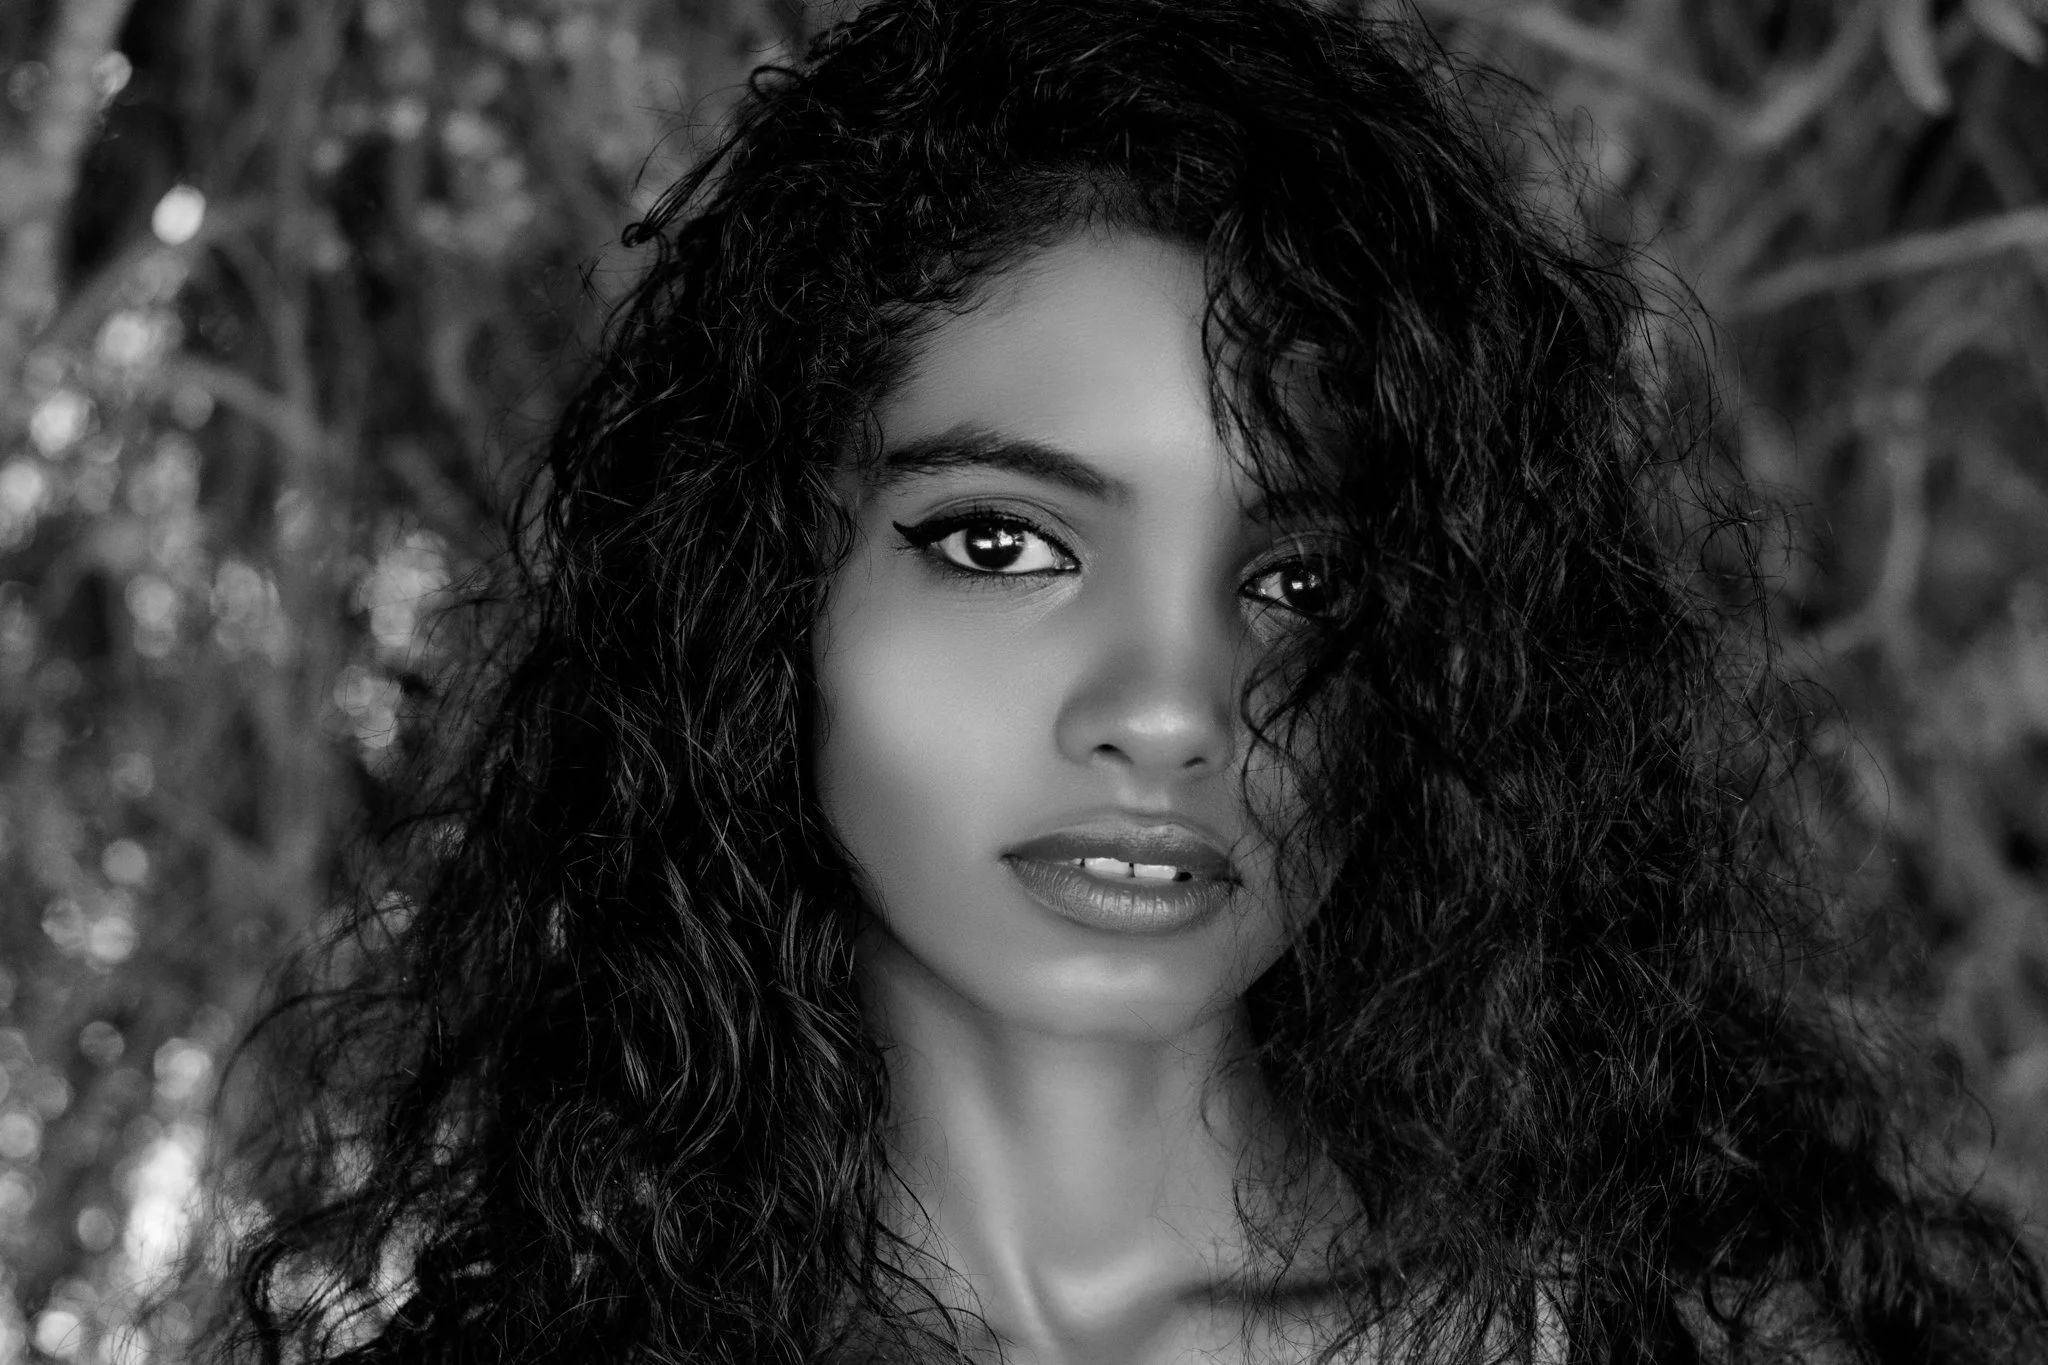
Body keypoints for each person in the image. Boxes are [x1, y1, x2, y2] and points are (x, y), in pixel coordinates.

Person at [209, 1, 2048, 1361]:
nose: (1171, 704)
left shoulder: (1709, 1335)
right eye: (1003, 541)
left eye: (1304, 577)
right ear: (757, 589)